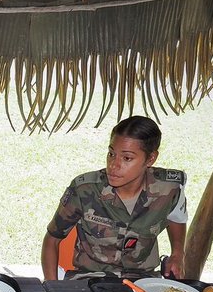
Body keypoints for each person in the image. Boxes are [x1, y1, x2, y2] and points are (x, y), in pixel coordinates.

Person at [41, 116, 188, 279]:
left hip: (143, 282)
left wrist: (177, 253)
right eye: (111, 154)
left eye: (127, 158)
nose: (113, 165)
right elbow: (52, 239)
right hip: (90, 280)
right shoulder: (85, 190)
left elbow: (177, 218)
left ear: (151, 159)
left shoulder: (169, 188)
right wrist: (52, 288)